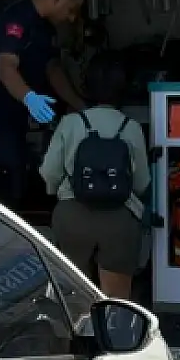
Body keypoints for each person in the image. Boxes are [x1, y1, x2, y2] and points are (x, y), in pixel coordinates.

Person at [40, 51, 150, 300]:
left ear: (85, 86)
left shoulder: (70, 123)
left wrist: (56, 193)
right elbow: (142, 182)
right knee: (116, 301)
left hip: (72, 216)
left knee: (70, 296)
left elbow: (49, 173)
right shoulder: (130, 127)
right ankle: (110, 336)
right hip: (119, 220)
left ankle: (72, 338)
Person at [0, 0, 88, 208]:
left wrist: (81, 106)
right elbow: (5, 67)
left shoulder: (43, 28)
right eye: (71, 10)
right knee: (6, 181)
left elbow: (53, 70)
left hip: (18, 119)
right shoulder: (17, 18)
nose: (70, 19)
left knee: (22, 175)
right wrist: (30, 98)